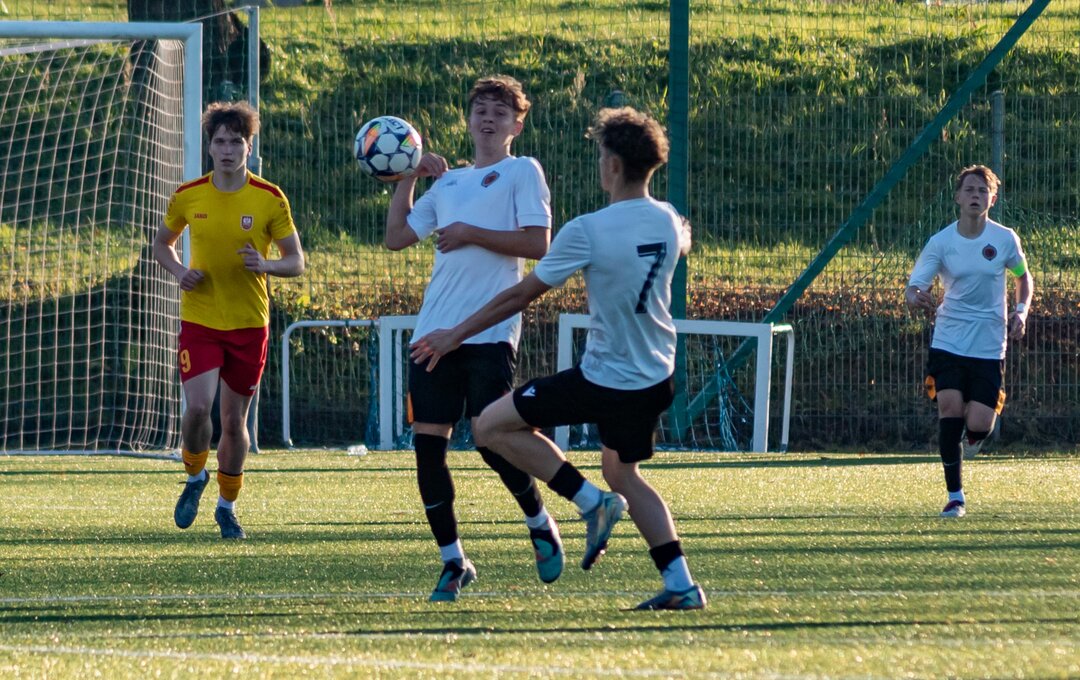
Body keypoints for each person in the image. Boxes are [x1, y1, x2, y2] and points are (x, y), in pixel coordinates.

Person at [410, 106, 705, 611]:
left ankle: (590, 503)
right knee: (625, 474)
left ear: (613, 165)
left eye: (601, 156)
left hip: (604, 379)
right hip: (656, 375)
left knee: (489, 426)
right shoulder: (668, 219)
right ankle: (680, 583)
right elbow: (681, 240)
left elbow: (518, 296)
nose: (599, 164)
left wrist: (454, 334)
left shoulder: (588, 229)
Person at [384, 75, 562, 601]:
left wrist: (469, 233)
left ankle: (538, 521)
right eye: (480, 110)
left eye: (500, 112)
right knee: (428, 451)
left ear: (516, 126)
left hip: (489, 331)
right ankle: (452, 561)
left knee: (492, 438)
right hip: (432, 331)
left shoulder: (522, 170)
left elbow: (539, 244)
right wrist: (407, 177)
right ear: (468, 120)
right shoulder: (449, 183)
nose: (488, 118)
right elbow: (396, 237)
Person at [153, 101, 305, 539]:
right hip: (201, 319)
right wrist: (180, 272)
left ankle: (226, 506)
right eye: (219, 141)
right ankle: (195, 474)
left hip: (248, 324)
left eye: (236, 142)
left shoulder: (269, 197)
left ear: (249, 147)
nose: (227, 150)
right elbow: (162, 244)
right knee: (198, 409)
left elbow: (296, 261)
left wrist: (266, 265)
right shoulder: (188, 195)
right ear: (209, 147)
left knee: (234, 423)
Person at [905, 164, 1033, 518]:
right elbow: (914, 287)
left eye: (982, 191)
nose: (975, 195)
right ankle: (955, 497)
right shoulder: (941, 242)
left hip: (989, 343)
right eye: (969, 190)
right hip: (949, 339)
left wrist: (1021, 311)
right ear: (958, 198)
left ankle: (973, 436)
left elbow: (1023, 277)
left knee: (979, 424)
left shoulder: (1005, 239)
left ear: (993, 199)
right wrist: (915, 296)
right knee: (949, 408)